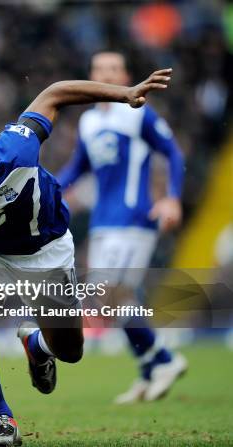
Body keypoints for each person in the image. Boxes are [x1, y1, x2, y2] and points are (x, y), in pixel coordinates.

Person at [0, 68, 173, 446]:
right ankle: (2, 421)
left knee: (70, 351)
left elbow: (54, 92)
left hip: (44, 251)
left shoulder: (11, 154)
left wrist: (125, 93)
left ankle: (37, 346)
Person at [57, 51, 187, 404]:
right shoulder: (88, 122)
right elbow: (78, 167)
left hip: (131, 218)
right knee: (116, 298)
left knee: (107, 293)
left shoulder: (137, 111)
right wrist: (47, 186)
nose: (107, 74)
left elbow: (173, 153)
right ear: (91, 75)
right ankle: (150, 370)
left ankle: (164, 359)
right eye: (100, 69)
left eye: (114, 69)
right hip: (104, 221)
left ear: (126, 75)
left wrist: (172, 197)